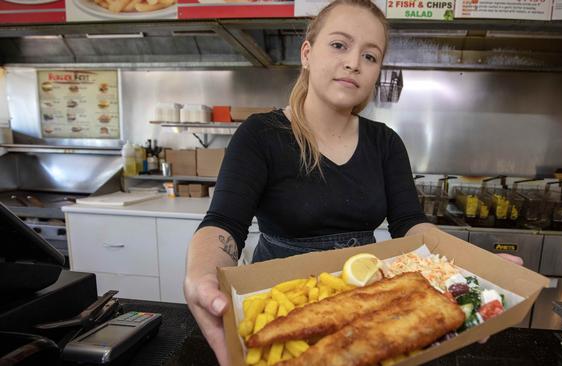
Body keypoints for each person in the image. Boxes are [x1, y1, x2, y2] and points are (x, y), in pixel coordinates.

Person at [183, 0, 522, 364]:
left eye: (370, 56)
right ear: (308, 53)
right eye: (339, 45)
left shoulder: (385, 142)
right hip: (282, 303)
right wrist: (201, 275)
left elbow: (410, 226)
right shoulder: (261, 135)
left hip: (367, 305)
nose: (354, 62)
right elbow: (224, 223)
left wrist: (474, 268)